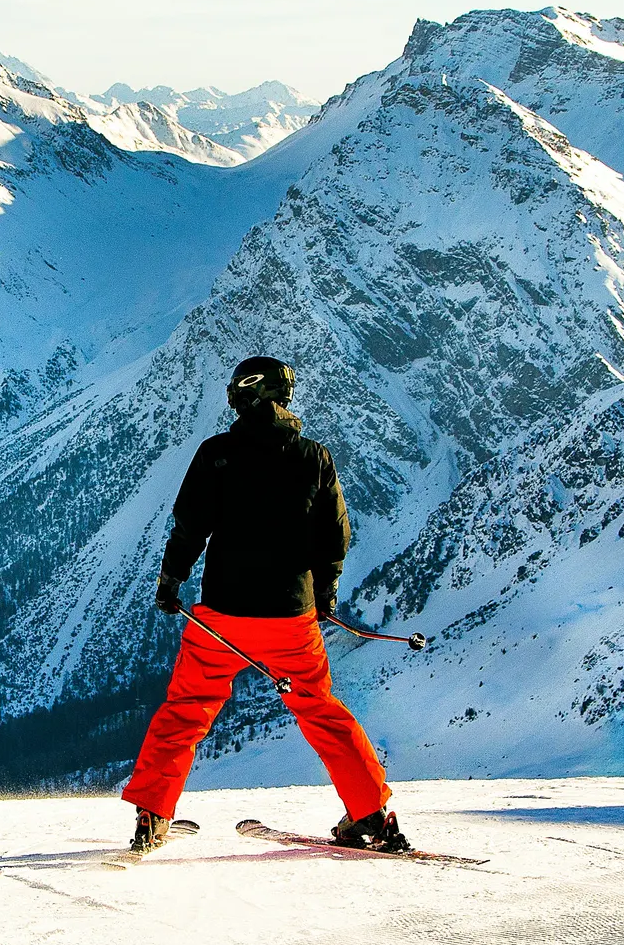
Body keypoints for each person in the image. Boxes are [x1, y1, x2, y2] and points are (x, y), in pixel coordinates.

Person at [119, 356, 409, 855]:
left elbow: (190, 526)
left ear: (247, 394)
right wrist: (324, 596)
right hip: (290, 619)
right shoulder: (313, 457)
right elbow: (334, 537)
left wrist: (171, 582)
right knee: (319, 709)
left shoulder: (217, 454)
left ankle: (153, 814)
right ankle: (370, 816)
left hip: (221, 618)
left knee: (186, 710)